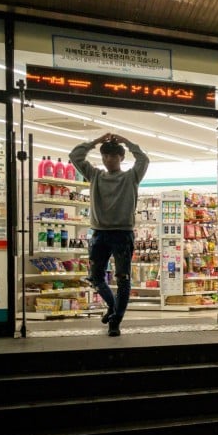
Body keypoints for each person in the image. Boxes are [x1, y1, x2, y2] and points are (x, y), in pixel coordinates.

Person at [70, 133, 149, 337]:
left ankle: (115, 321)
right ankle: (113, 307)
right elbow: (75, 155)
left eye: (113, 156)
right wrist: (95, 141)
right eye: (105, 156)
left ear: (121, 158)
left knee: (123, 279)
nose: (108, 160)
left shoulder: (131, 176)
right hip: (99, 234)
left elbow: (143, 159)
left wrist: (127, 142)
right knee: (96, 278)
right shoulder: (95, 175)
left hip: (122, 234)